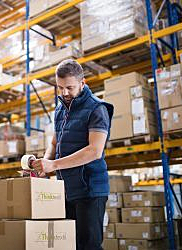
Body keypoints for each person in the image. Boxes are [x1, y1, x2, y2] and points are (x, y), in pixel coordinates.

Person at [32, 59, 114, 250]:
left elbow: (95, 151)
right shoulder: (61, 109)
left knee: (89, 246)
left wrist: (54, 165)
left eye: (70, 87)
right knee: (69, 245)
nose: (65, 93)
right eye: (60, 87)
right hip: (66, 190)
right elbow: (55, 142)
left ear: (82, 83)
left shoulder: (97, 109)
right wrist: (44, 162)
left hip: (90, 190)